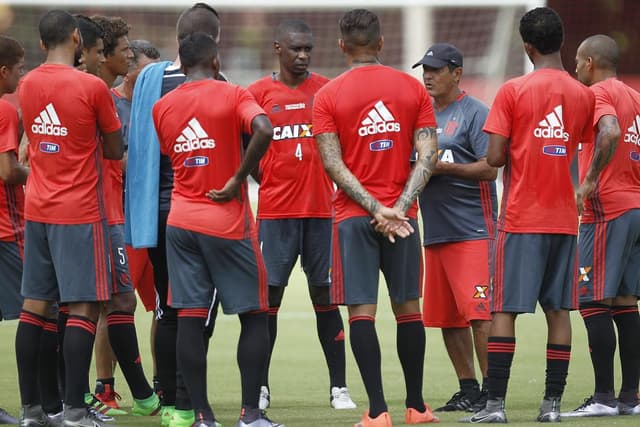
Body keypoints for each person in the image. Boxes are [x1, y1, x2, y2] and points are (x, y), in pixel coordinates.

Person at [463, 7, 595, 423]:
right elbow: (593, 140)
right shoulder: (583, 95)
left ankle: (495, 406)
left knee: (503, 311)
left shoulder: (513, 90)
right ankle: (552, 406)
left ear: (527, 46)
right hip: (564, 220)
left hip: (521, 218)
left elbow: (495, 158)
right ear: (561, 42)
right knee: (559, 312)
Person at [313, 9, 439, 427]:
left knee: (361, 314)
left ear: (342, 46)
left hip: (353, 218)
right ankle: (417, 408)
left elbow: (333, 165)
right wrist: (398, 208)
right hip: (403, 219)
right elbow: (428, 154)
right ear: (382, 43)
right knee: (409, 311)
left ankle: (378, 411)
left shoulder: (328, 95)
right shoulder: (411, 88)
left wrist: (374, 208)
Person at [153, 31, 282, 427]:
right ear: (215, 61)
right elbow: (264, 128)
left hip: (180, 221)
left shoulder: (162, 106)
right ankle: (250, 414)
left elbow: (169, 155)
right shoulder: (233, 94)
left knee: (189, 317)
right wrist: (237, 177)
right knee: (255, 315)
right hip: (227, 222)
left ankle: (202, 417)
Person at [15, 10, 124, 427]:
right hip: (80, 211)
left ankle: (33, 412)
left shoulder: (26, 84)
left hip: (38, 207)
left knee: (35, 307)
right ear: (78, 38)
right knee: (82, 305)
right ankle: (76, 411)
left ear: (42, 44)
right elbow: (114, 150)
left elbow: (38, 138)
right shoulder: (92, 86)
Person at [246, 19, 355, 411]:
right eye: (296, 49)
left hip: (321, 214)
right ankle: (259, 386)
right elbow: (247, 146)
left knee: (325, 296)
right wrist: (268, 178)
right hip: (275, 215)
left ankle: (338, 387)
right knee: (268, 298)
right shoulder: (257, 93)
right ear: (278, 48)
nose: (304, 55)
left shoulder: (327, 90)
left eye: (308, 48)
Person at [126, 4, 223, 426]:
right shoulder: (220, 85)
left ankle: (167, 396)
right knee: (197, 311)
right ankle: (186, 402)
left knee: (167, 307)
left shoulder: (151, 80)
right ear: (213, 43)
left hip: (158, 212)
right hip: (204, 212)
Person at [79, 15, 160, 417]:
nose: (130, 58)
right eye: (126, 52)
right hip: (110, 218)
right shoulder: (100, 97)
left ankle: (156, 389)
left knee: (155, 305)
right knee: (104, 304)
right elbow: (114, 156)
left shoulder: (160, 105)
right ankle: (103, 388)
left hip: (144, 219)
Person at [412, 42, 496, 413]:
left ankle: (495, 393)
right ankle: (469, 389)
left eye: (436, 69)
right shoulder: (421, 114)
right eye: (424, 69)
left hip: (472, 230)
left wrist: (445, 168)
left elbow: (491, 166)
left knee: (479, 314)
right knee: (448, 318)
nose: (427, 76)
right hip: (436, 232)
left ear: (457, 73)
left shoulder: (475, 112)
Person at [561, 34, 640, 418]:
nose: (574, 69)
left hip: (607, 208)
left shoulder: (598, 95)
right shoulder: (635, 96)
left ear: (590, 62)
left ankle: (604, 397)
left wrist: (590, 179)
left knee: (592, 301)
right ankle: (629, 397)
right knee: (626, 303)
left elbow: (609, 132)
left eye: (577, 62)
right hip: (635, 206)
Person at [112, 38, 162, 396]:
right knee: (113, 305)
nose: (152, 80)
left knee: (164, 307)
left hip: (152, 217)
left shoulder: (160, 105)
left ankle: (162, 383)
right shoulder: (109, 103)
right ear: (129, 69)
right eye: (146, 72)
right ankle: (104, 386)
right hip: (118, 219)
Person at [0, 34, 27, 426]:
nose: (22, 75)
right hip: (5, 231)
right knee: (43, 313)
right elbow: (8, 171)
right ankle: (44, 405)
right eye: (20, 67)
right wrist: (36, 172)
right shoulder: (5, 111)